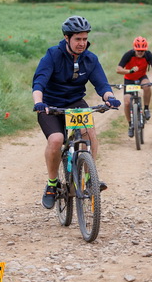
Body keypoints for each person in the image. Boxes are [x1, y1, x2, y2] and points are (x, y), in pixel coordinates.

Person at [32, 15, 121, 210]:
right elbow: (39, 82)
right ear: (67, 38)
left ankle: (90, 179)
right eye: (77, 39)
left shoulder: (90, 59)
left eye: (85, 39)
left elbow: (102, 84)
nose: (82, 43)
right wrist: (38, 102)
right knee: (56, 140)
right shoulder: (53, 55)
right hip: (50, 105)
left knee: (89, 133)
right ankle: (52, 184)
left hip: (75, 103)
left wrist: (109, 97)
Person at [116, 36, 152, 137]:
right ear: (134, 49)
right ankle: (130, 125)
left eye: (142, 50)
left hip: (141, 77)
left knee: (147, 86)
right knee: (127, 102)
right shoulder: (128, 54)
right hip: (129, 79)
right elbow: (118, 69)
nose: (140, 52)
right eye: (138, 50)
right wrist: (130, 71)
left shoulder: (148, 54)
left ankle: (146, 108)